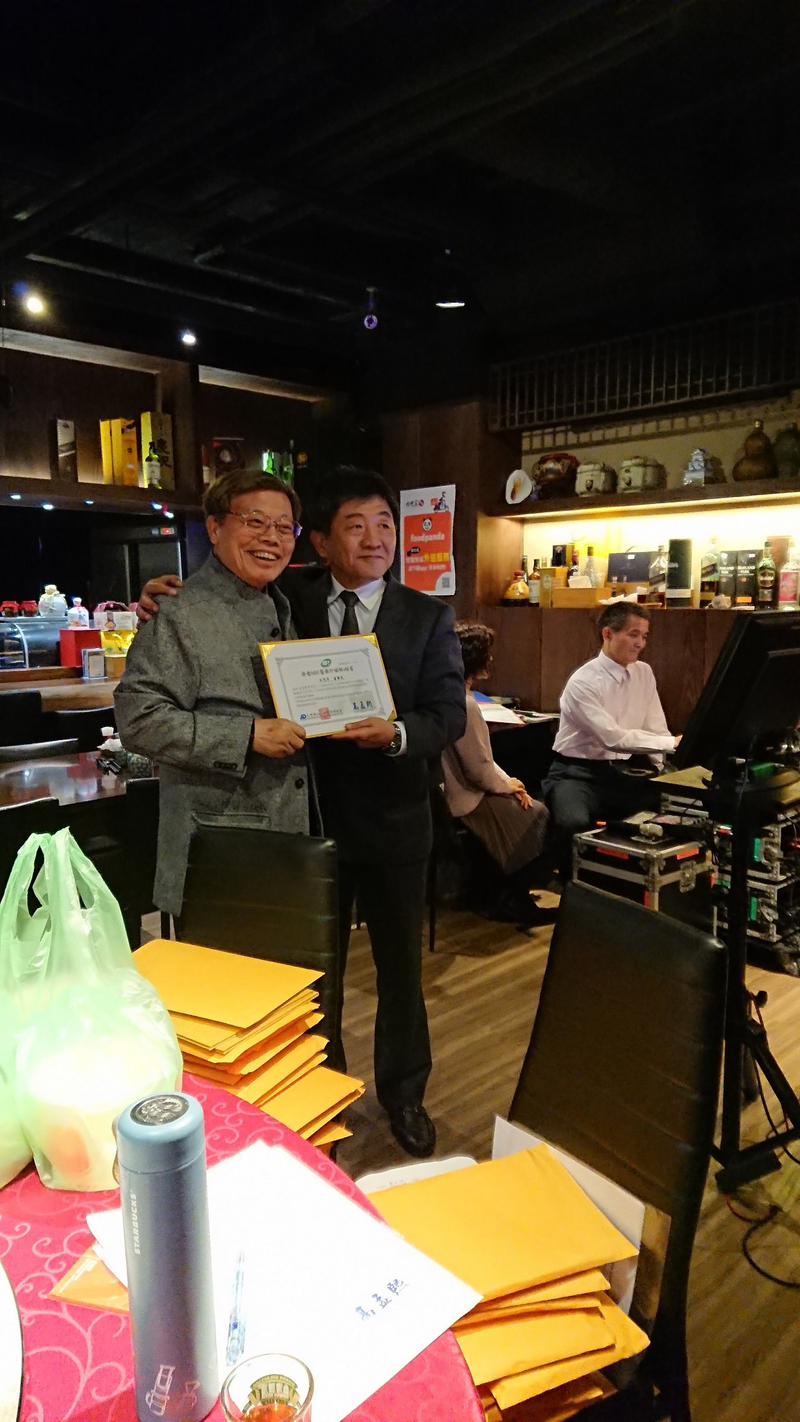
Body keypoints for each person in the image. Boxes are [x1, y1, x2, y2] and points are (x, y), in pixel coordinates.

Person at [137, 466, 466, 1159]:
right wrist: (160, 597)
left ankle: (405, 1094)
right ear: (321, 542)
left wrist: (397, 734)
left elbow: (446, 716)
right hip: (305, 829)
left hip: (396, 825)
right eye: (355, 525)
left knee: (401, 973)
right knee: (311, 981)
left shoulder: (428, 615)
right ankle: (323, 1095)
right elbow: (209, 611)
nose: (375, 539)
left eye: (385, 524)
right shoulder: (292, 597)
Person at [115, 469, 309, 919]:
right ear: (215, 527)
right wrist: (246, 736)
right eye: (255, 521)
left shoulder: (286, 604)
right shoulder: (178, 613)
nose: (271, 537)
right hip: (217, 854)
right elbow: (138, 721)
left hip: (292, 846)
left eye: (285, 527)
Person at [542, 602, 678, 880]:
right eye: (633, 634)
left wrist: (665, 771)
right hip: (575, 773)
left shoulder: (644, 673)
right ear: (608, 634)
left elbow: (656, 728)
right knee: (573, 822)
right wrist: (671, 743)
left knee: (669, 810)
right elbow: (613, 738)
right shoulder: (583, 682)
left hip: (621, 772)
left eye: (644, 636)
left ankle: (629, 888)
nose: (640, 643)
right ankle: (575, 890)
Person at [442, 622, 550, 927]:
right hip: (464, 799)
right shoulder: (465, 704)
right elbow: (479, 770)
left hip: (451, 792)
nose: (491, 659)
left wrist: (509, 784)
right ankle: (511, 898)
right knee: (537, 814)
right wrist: (507, 786)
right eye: (487, 654)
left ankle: (501, 893)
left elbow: (482, 762)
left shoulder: (445, 695)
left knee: (524, 800)